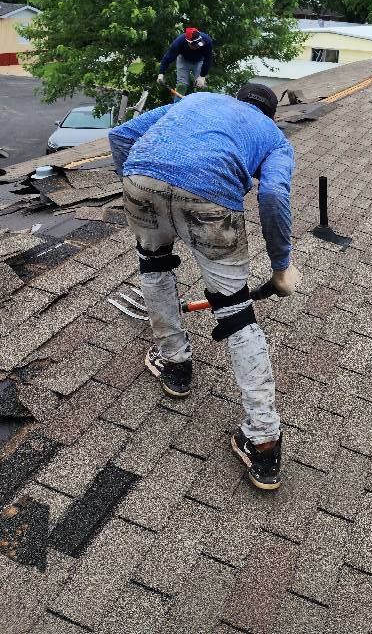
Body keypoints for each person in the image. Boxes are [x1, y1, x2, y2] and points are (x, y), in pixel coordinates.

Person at [108, 83, 300, 491]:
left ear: (234, 98)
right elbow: (272, 196)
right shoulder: (272, 137)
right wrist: (281, 266)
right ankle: (263, 438)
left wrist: (137, 189)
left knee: (154, 266)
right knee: (234, 311)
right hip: (211, 199)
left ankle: (175, 364)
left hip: (140, 178)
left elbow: (122, 136)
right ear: (271, 114)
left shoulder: (195, 100)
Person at [158, 27, 213, 94]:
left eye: (198, 44)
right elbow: (167, 58)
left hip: (199, 61)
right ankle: (178, 103)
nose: (197, 46)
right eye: (194, 45)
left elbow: (208, 59)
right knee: (182, 85)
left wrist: (202, 76)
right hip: (183, 60)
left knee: (201, 85)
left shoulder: (207, 40)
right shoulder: (178, 43)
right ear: (188, 42)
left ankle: (202, 103)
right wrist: (161, 73)